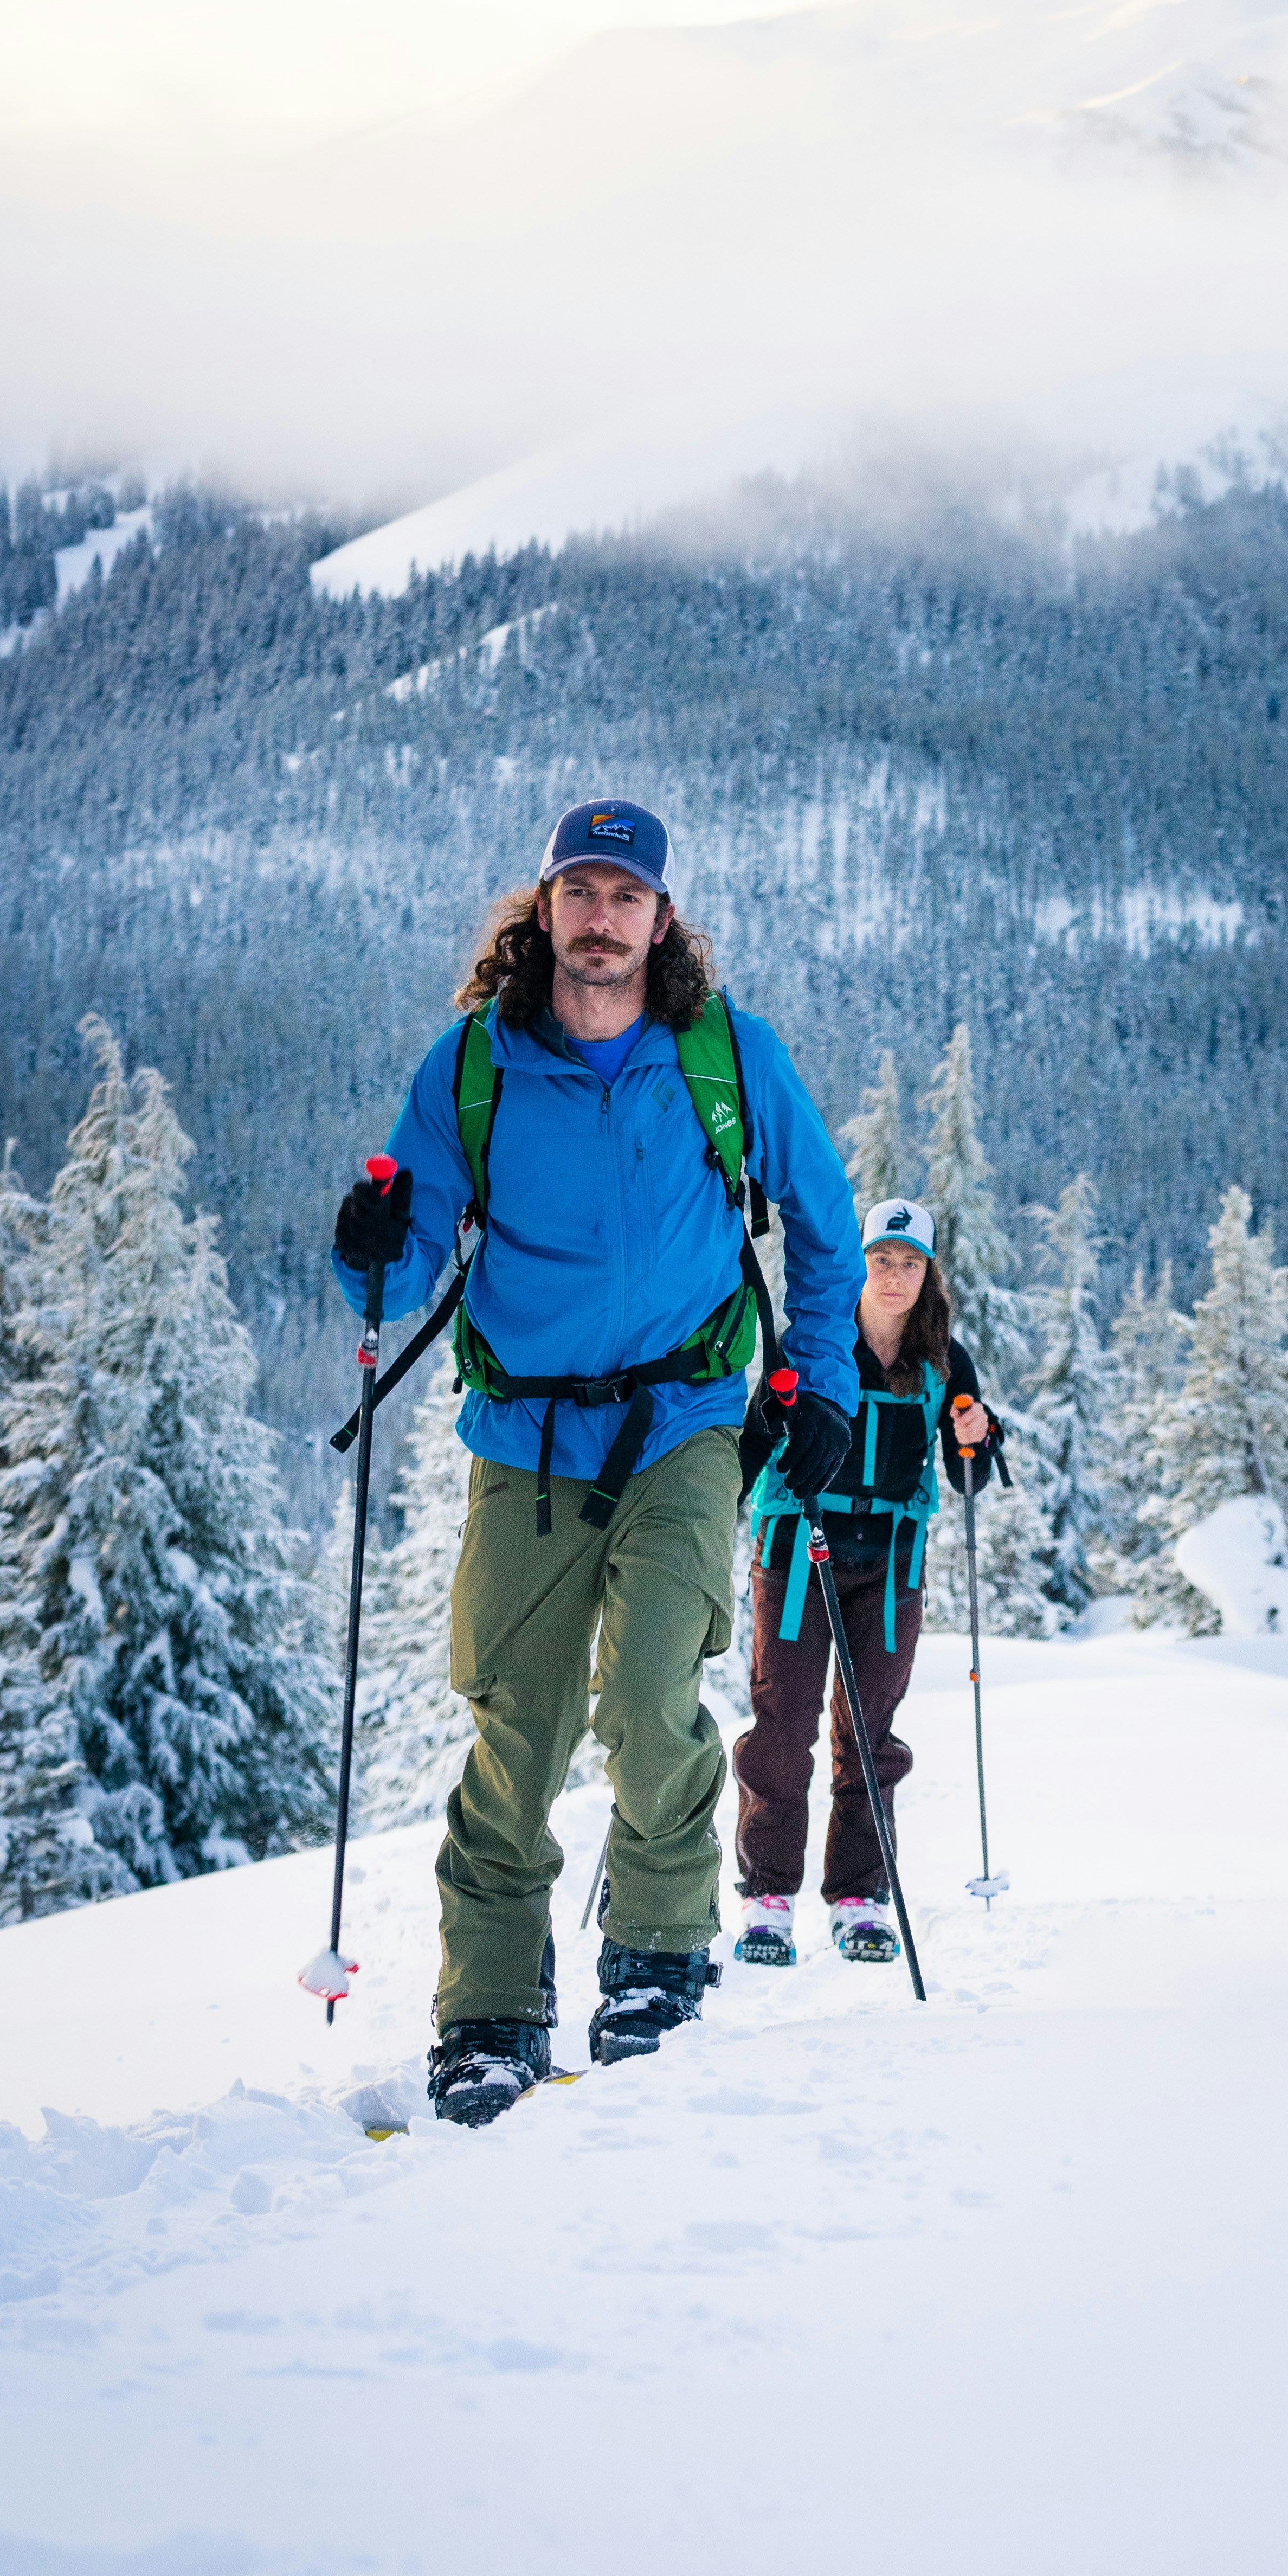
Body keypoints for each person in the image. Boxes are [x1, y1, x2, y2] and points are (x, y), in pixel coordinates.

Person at [331, 797, 864, 2127]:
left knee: (643, 1695)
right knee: (519, 1723)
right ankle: (491, 2014)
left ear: (661, 918)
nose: (602, 917)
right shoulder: (476, 1067)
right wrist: (370, 1235)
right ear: (546, 907)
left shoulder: (724, 1054)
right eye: (581, 891)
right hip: (525, 1434)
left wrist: (823, 1384)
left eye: (626, 896)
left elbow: (822, 1216)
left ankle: (657, 1962)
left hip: (687, 1417)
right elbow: (400, 1261)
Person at [731, 1195, 996, 1964]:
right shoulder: (812, 1346)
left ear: (928, 1274)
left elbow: (965, 1478)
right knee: (783, 1728)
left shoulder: (946, 1361)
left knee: (869, 1737)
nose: (894, 1275)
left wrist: (977, 1438)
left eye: (910, 1263)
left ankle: (859, 1898)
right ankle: (767, 1899)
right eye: (882, 1259)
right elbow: (753, 1442)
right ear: (859, 1263)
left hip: (890, 1565)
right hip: (796, 1550)